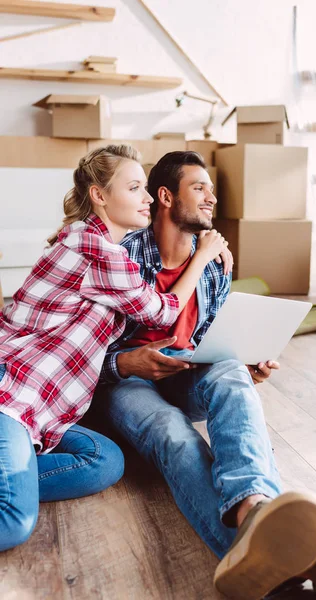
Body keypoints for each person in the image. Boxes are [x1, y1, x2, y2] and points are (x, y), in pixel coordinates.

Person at [93, 150, 316, 600]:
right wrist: (127, 362)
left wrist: (246, 358)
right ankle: (283, 568)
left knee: (231, 376)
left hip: (184, 371)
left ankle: (256, 510)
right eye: (199, 188)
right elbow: (81, 351)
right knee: (171, 433)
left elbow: (213, 337)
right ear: (165, 196)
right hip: (126, 383)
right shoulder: (121, 256)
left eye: (211, 189)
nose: (212, 198)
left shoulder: (217, 266)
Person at [0, 144, 229, 552]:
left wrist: (200, 247)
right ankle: (11, 489)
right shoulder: (97, 250)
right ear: (100, 196)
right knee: (14, 521)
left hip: (40, 402)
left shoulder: (93, 242)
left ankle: (11, 479)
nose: (147, 197)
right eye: (136, 188)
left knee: (104, 461)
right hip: (12, 393)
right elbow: (162, 312)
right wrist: (206, 253)